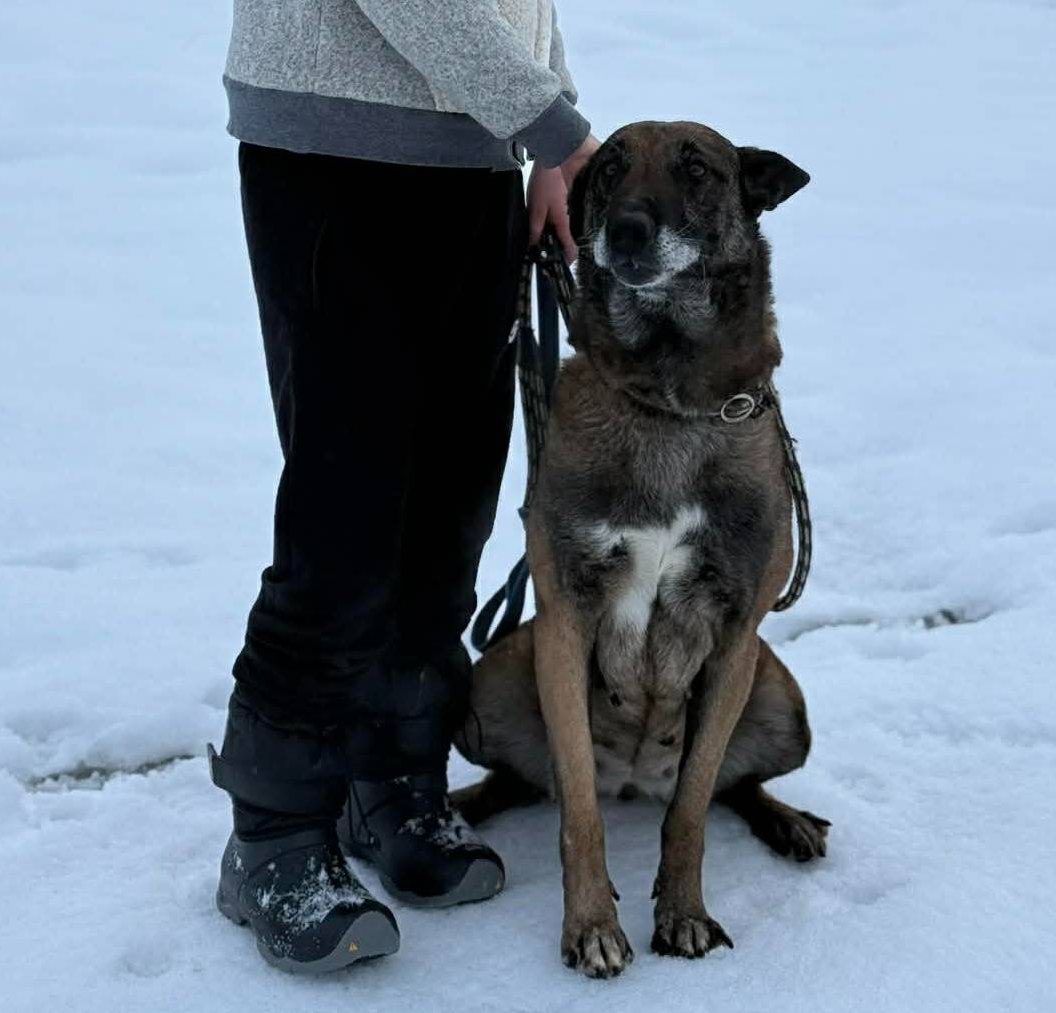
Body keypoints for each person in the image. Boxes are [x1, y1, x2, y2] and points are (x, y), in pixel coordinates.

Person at [207, 0, 599, 974]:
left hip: (473, 157)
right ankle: (272, 833)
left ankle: (390, 775)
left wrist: (548, 126)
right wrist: (554, 125)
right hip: (333, 153)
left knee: (448, 506)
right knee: (347, 510)